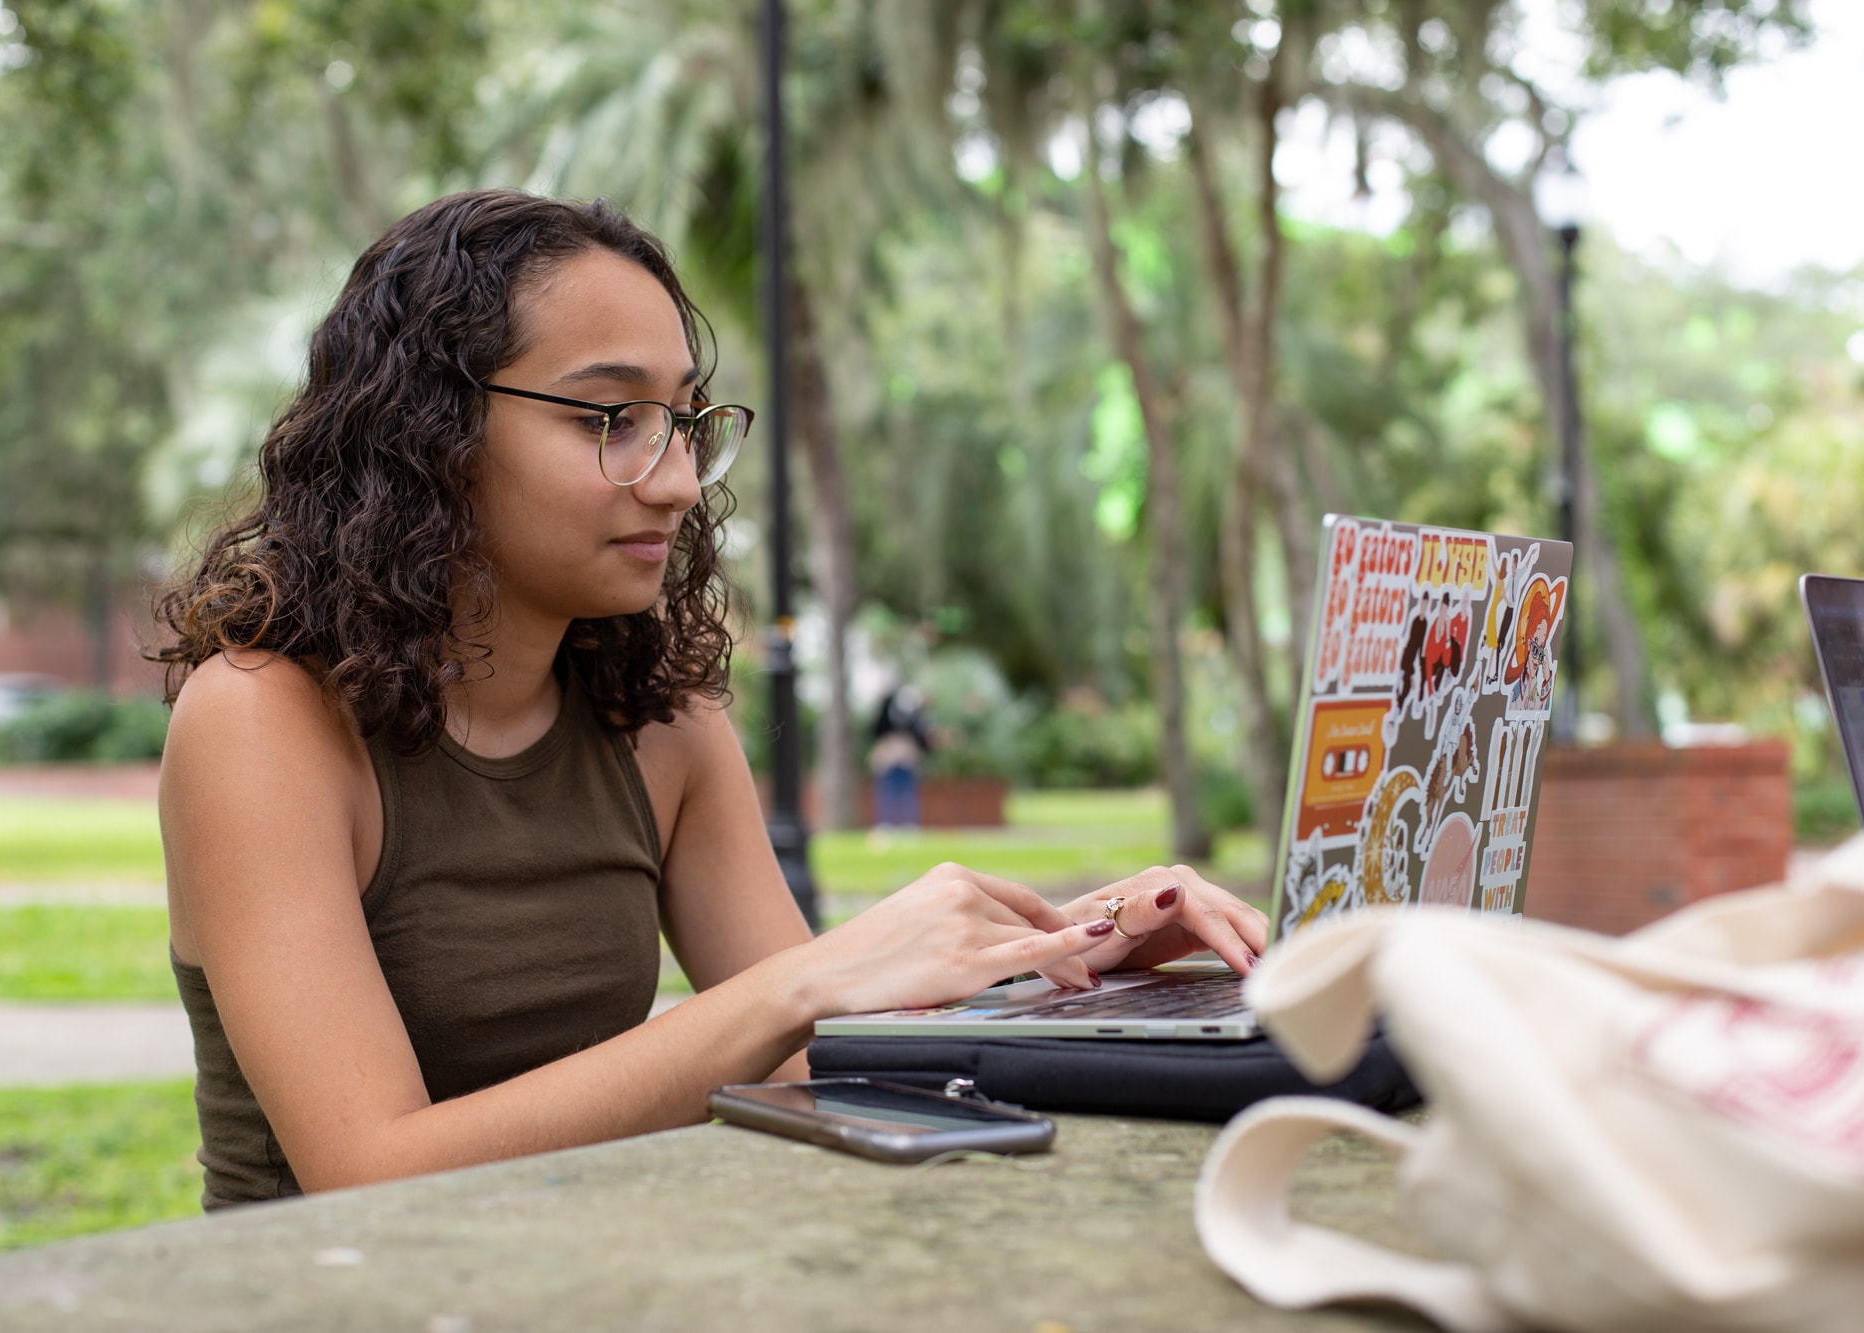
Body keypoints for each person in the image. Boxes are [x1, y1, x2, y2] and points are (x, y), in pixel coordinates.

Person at [153, 189, 1268, 1209]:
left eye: (683, 420)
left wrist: (1072, 949)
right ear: (428, 435)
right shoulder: (261, 719)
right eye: (609, 420)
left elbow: (807, 1051)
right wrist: (797, 984)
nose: (680, 480)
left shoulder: (657, 721)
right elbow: (367, 1167)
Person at [868, 684, 932, 828]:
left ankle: (909, 823)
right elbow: (877, 731)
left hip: (907, 760)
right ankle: (885, 823)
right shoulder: (886, 711)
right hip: (889, 759)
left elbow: (921, 737)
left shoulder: (915, 716)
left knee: (907, 792)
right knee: (887, 791)